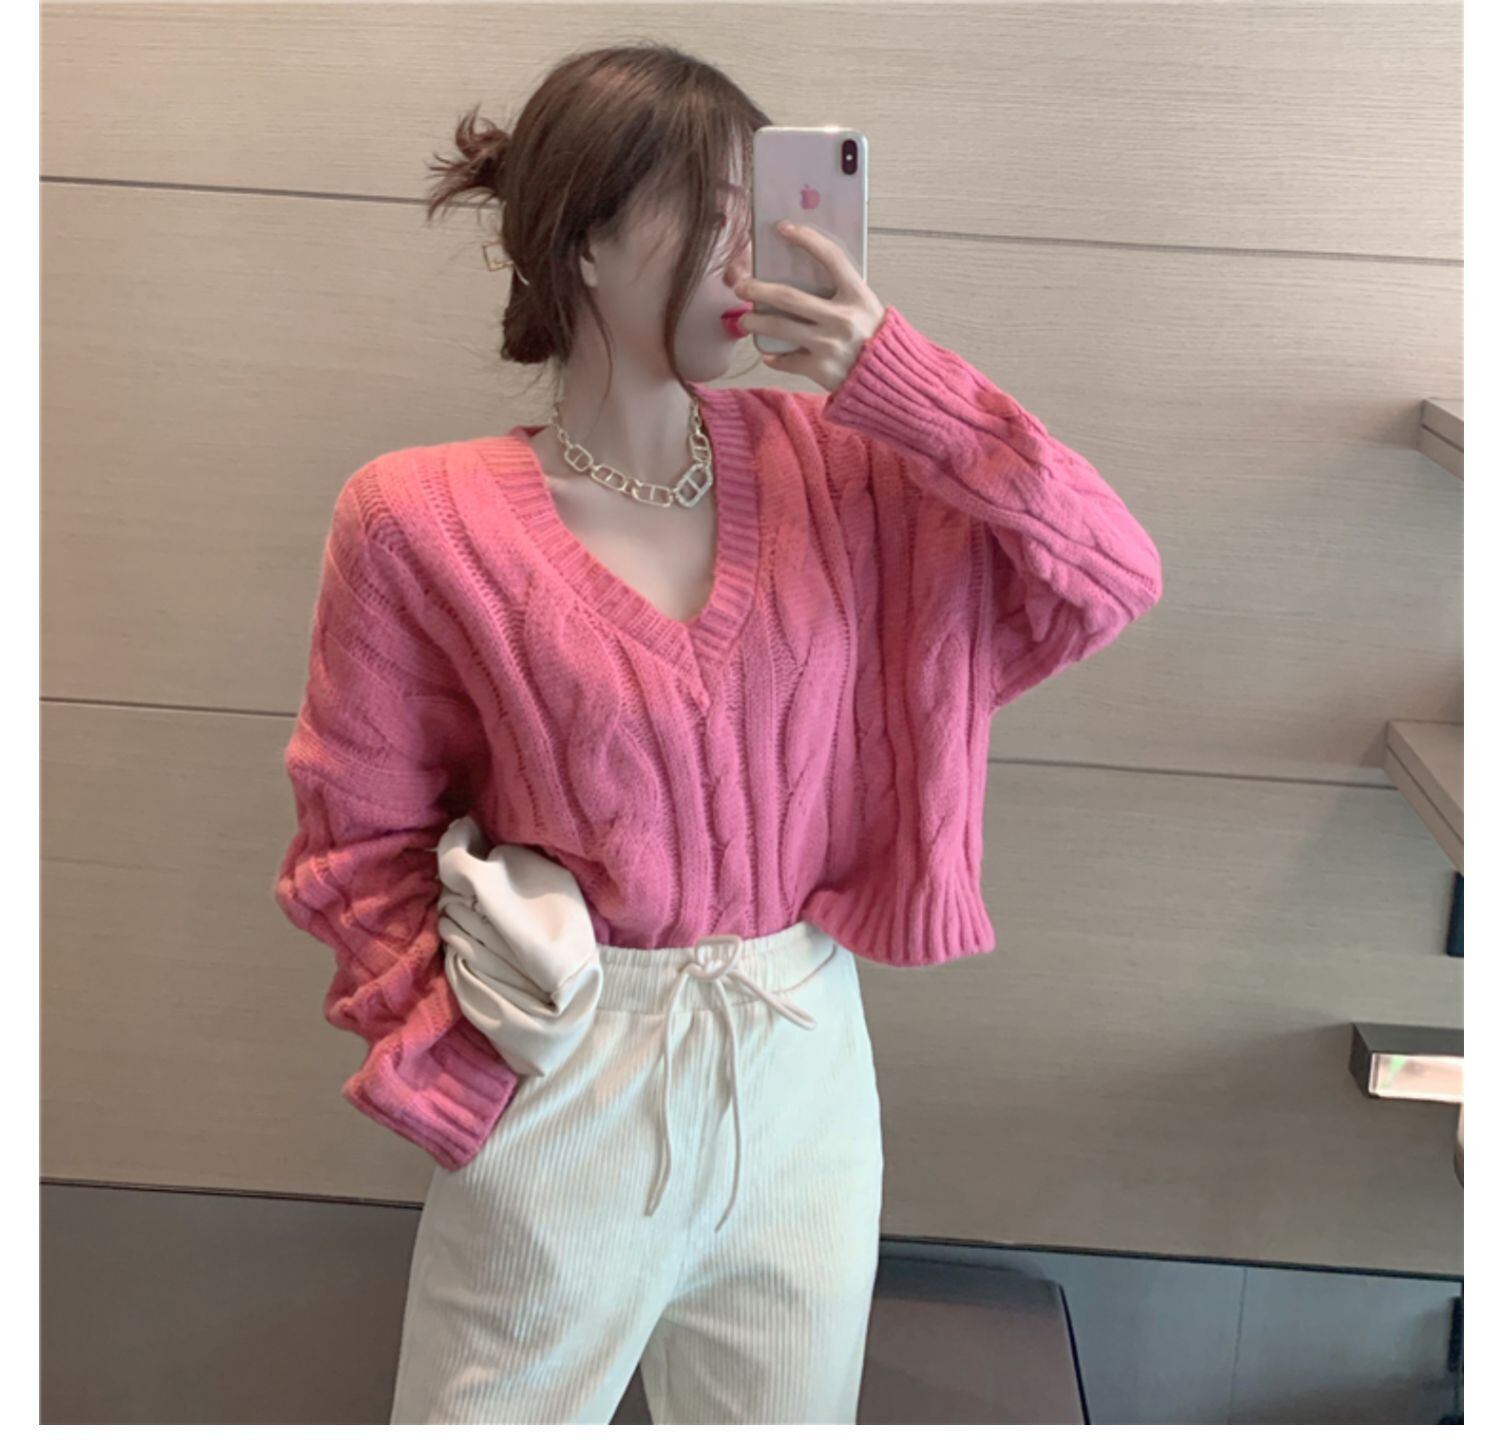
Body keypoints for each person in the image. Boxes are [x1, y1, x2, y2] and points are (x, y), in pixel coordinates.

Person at [272, 42, 1164, 1426]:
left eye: (765, 209)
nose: (751, 255)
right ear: (580, 242)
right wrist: (459, 1066)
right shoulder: (417, 519)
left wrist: (895, 378)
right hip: (570, 1076)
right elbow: (354, 844)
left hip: (805, 1072)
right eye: (707, 210)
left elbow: (1107, 570)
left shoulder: (847, 474)